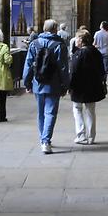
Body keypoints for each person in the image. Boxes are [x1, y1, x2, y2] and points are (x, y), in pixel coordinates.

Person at [22, 19, 69, 154]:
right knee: (50, 113)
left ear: (44, 28)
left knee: (41, 112)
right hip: (53, 84)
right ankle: (46, 141)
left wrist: (27, 82)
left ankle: (43, 139)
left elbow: (28, 65)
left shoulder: (34, 44)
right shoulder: (59, 45)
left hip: (38, 83)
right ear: (55, 29)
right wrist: (65, 85)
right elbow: (63, 68)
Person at [68, 28, 106, 145]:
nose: (75, 41)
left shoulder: (78, 54)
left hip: (79, 87)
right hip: (93, 86)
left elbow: (73, 72)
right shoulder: (96, 52)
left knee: (77, 109)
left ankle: (81, 134)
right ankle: (91, 136)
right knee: (90, 111)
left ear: (81, 39)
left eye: (77, 38)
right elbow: (102, 70)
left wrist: (70, 86)